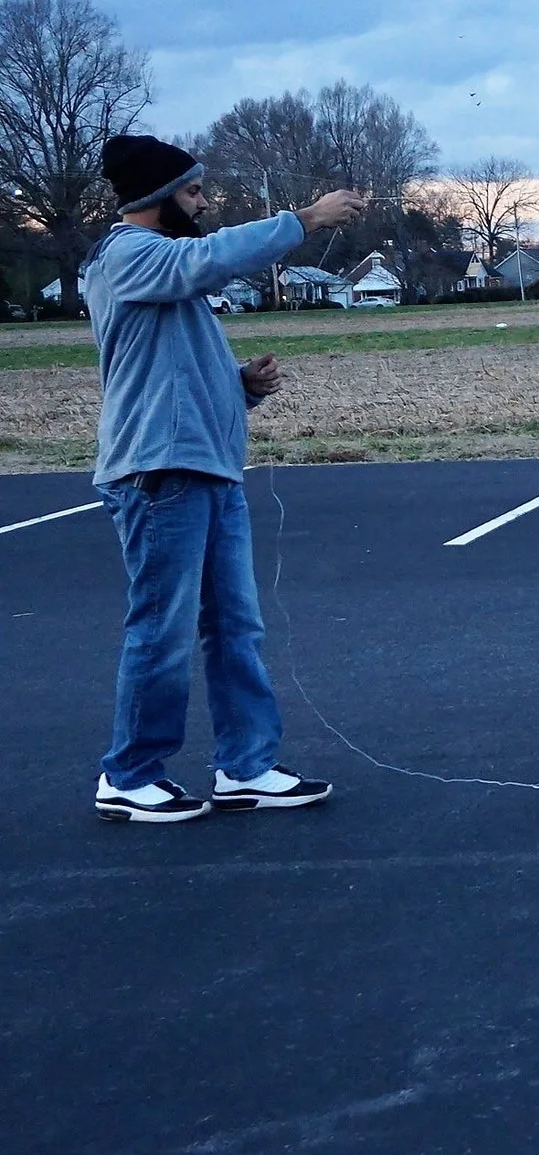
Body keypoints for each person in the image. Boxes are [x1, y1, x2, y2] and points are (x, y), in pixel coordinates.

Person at [86, 134, 365, 822]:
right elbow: (208, 259)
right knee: (162, 628)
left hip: (205, 470)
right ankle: (129, 775)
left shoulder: (163, 270)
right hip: (159, 476)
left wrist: (242, 387)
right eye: (192, 191)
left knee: (235, 627)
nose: (204, 202)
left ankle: (246, 768)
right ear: (155, 196)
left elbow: (170, 376)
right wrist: (304, 219)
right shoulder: (130, 255)